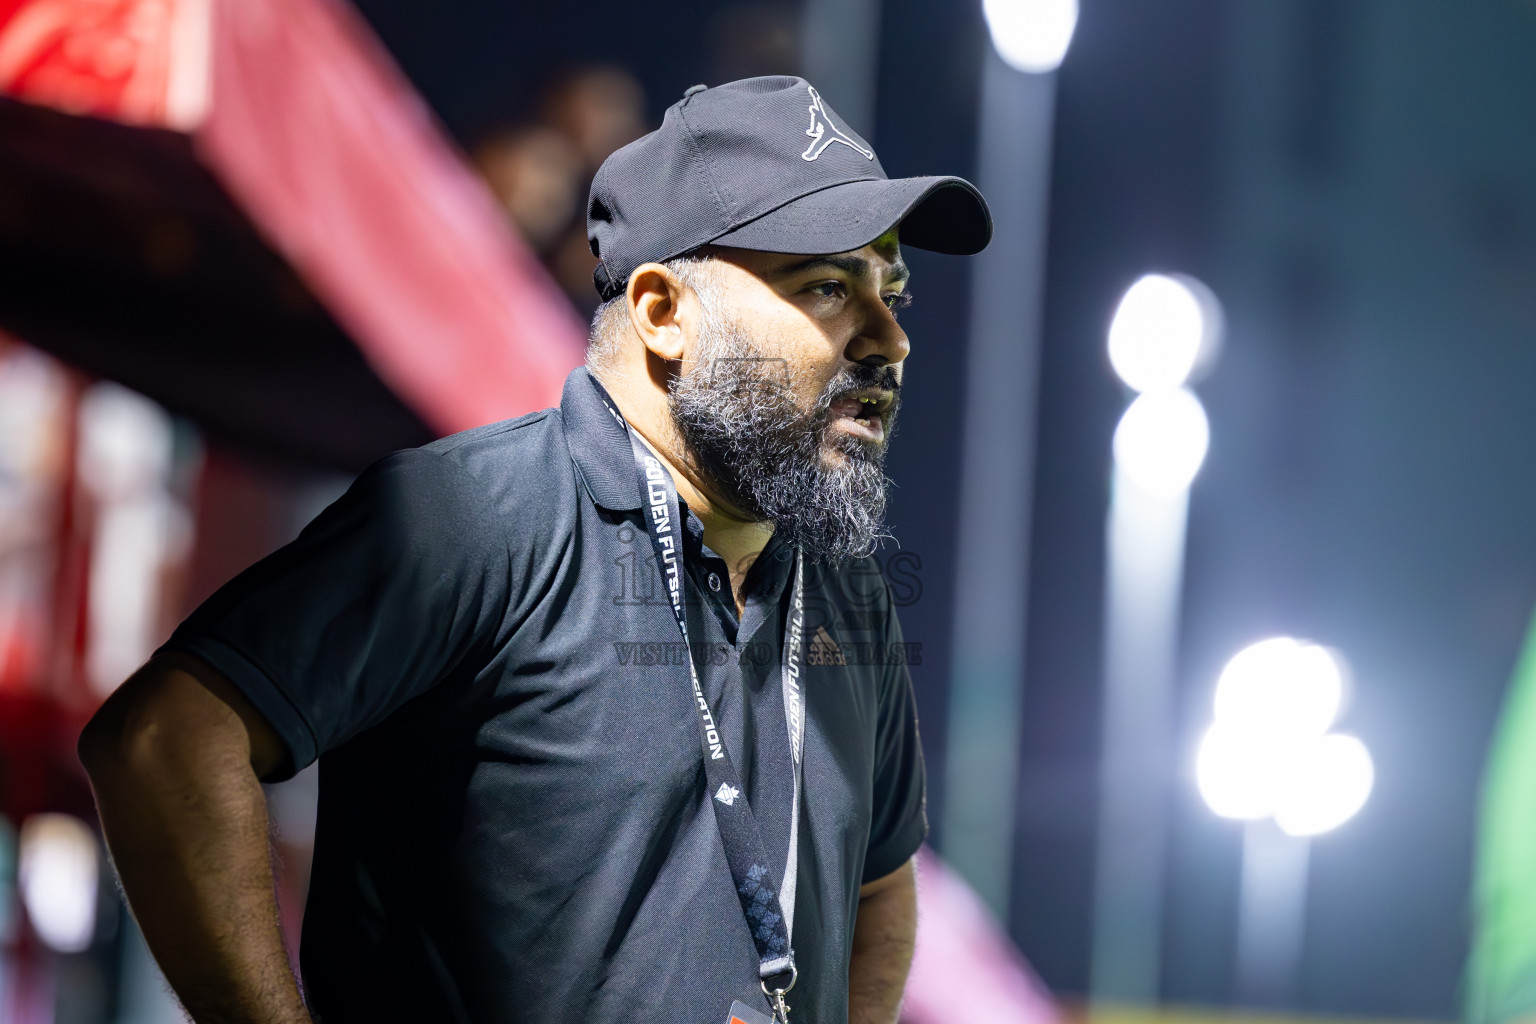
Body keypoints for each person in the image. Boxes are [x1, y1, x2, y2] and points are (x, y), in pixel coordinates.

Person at [77, 76, 990, 1024]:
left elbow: (882, 879)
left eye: (894, 293)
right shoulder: (478, 515)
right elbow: (164, 740)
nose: (890, 340)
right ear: (664, 312)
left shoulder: (846, 594)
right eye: (831, 287)